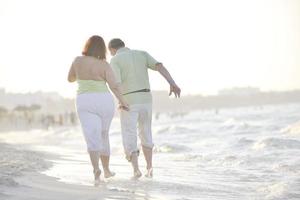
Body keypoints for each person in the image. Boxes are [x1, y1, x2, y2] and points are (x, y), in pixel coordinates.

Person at [108, 38, 181, 178]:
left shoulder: (115, 59)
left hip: (128, 100)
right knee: (146, 132)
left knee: (130, 133)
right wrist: (172, 83)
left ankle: (136, 169)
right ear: (124, 45)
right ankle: (149, 167)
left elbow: (115, 83)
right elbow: (159, 66)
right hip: (146, 98)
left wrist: (120, 100)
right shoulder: (142, 54)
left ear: (111, 49)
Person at [68, 35, 129, 185]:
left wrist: (82, 75)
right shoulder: (104, 65)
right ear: (102, 49)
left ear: (87, 46)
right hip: (104, 100)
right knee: (103, 135)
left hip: (85, 100)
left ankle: (96, 170)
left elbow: (70, 79)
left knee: (91, 136)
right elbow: (114, 86)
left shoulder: (77, 61)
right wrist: (123, 101)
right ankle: (107, 170)